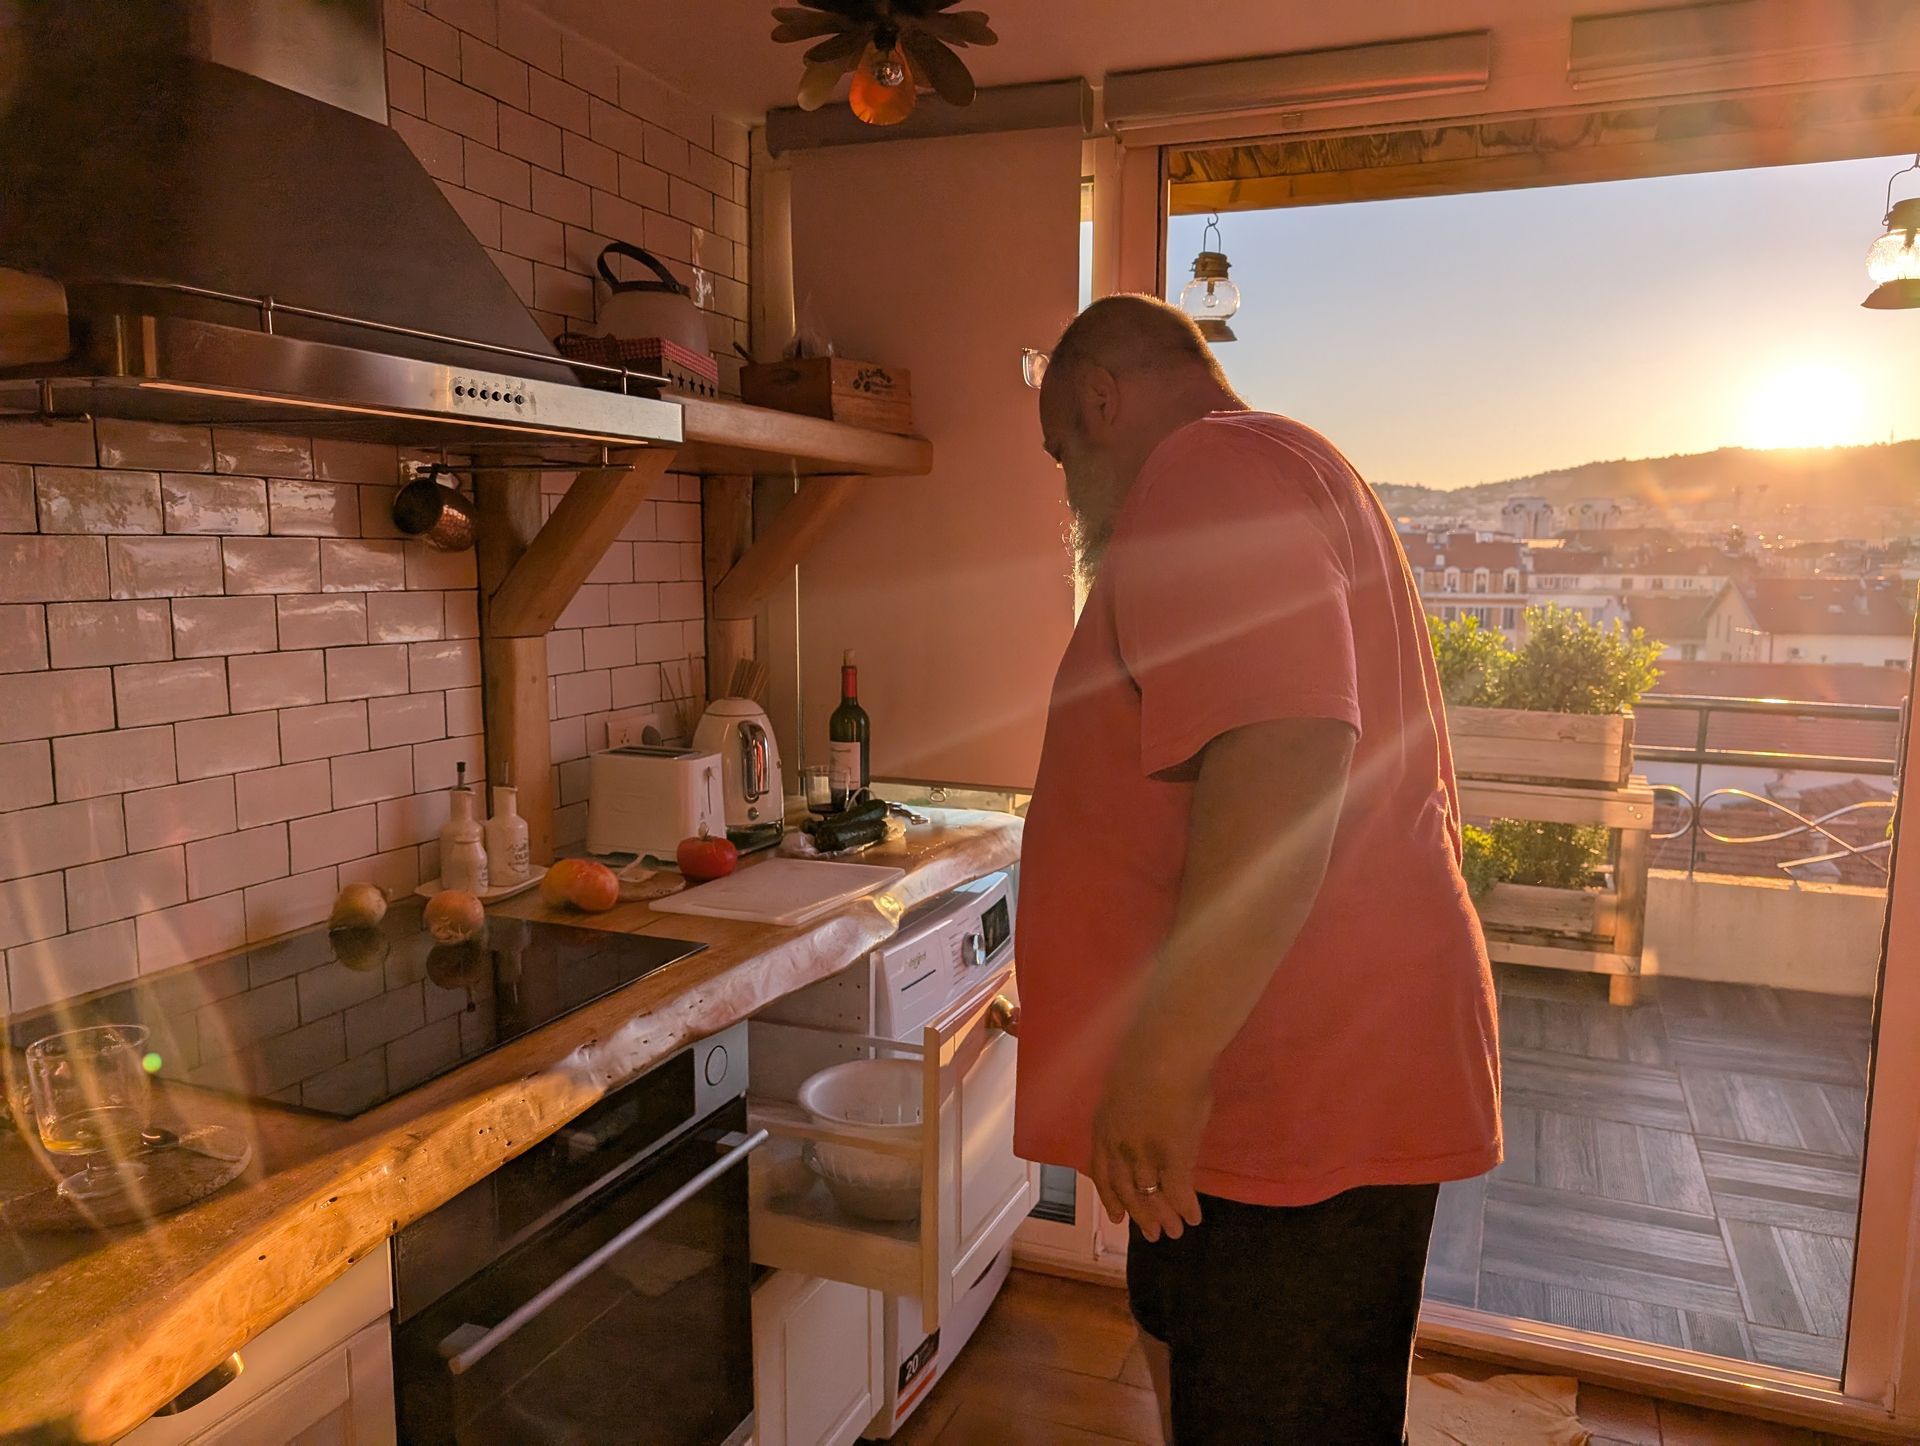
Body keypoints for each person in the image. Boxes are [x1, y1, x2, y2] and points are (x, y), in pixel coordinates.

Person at [1012, 294, 1502, 1444]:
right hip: (1277, 1094)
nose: (1071, 494)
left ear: (1100, 399)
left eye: (1061, 457)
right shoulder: (1291, 462)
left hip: (1290, 1095)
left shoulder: (1205, 473)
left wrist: (1162, 1064)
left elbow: (1286, 757)